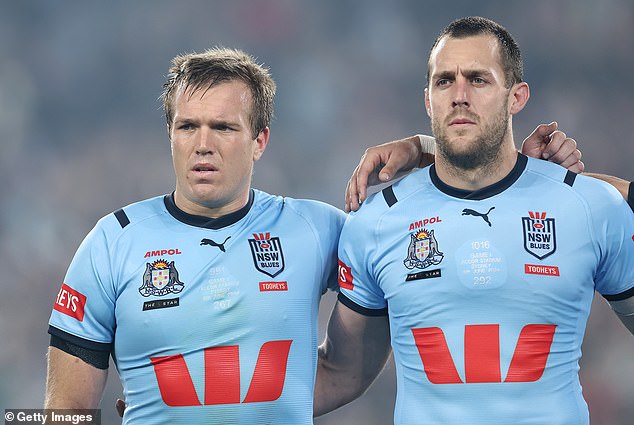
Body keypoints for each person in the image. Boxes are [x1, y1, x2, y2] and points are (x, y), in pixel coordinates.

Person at [44, 46, 584, 424]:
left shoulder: (317, 229)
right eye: (188, 126)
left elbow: (440, 234)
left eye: (224, 127)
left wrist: (481, 161)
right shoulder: (111, 242)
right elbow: (62, 414)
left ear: (260, 140)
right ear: (170, 134)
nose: (203, 144)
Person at [316, 16, 634, 425]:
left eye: (478, 80)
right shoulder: (376, 222)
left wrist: (568, 184)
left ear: (516, 96)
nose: (459, 95)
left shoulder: (591, 207)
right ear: (428, 100)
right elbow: (341, 373)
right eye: (445, 81)